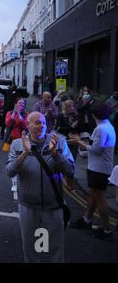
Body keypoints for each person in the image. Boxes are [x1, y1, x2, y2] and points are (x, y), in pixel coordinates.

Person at [6, 112, 74, 262]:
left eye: (43, 122)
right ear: (27, 125)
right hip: (28, 208)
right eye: (36, 123)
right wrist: (24, 153)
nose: (41, 125)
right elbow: (10, 171)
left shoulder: (59, 142)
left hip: (53, 207)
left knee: (54, 251)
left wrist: (55, 153)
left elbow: (70, 171)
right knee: (31, 250)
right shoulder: (18, 144)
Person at [68, 103, 116, 242]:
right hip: (101, 167)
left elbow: (96, 150)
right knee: (93, 195)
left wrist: (79, 142)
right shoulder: (109, 127)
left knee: (99, 197)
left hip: (98, 168)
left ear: (94, 115)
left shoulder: (100, 129)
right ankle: (87, 220)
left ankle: (106, 229)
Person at [5, 98, 28, 197]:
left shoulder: (26, 115)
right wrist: (14, 113)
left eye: (23, 103)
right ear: (16, 104)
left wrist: (19, 114)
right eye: (19, 103)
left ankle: (22, 181)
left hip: (22, 141)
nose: (21, 105)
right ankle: (14, 183)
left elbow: (26, 126)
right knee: (12, 162)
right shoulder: (10, 112)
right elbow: (8, 123)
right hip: (11, 140)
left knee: (22, 161)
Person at [55, 100, 79, 190]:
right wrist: (70, 127)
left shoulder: (76, 116)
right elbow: (58, 128)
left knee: (72, 162)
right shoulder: (61, 116)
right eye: (69, 106)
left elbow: (81, 128)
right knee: (64, 160)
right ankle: (62, 179)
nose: (71, 107)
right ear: (65, 107)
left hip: (74, 142)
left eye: (72, 105)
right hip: (64, 142)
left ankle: (70, 183)